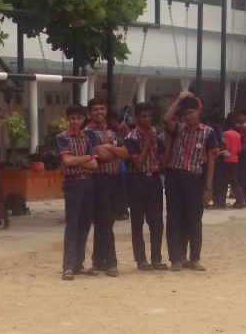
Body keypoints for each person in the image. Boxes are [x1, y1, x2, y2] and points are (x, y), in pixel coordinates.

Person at [160, 92, 218, 271]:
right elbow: (166, 119)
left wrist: (208, 187)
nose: (188, 116)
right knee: (174, 218)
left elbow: (211, 162)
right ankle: (176, 258)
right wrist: (177, 99)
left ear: (199, 111)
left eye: (191, 112)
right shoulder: (178, 129)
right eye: (185, 113)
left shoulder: (208, 133)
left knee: (194, 219)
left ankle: (194, 258)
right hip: (175, 177)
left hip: (194, 179)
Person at [122, 102, 167, 270]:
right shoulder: (132, 138)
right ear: (136, 117)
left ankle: (156, 258)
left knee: (156, 221)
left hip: (154, 179)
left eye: (149, 116)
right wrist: (147, 142)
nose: (147, 119)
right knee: (137, 221)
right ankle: (141, 259)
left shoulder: (155, 133)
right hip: (137, 179)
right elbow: (138, 163)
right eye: (144, 117)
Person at [55, 103, 98, 280]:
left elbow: (94, 165)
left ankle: (78, 263)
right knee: (72, 224)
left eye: (78, 118)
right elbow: (66, 161)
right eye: (72, 118)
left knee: (85, 224)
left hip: (87, 182)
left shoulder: (86, 139)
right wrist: (86, 158)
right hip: (73, 183)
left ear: (83, 119)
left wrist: (77, 160)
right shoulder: (62, 137)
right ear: (68, 119)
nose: (75, 121)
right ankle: (68, 266)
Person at [84, 97, 125, 276]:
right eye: (95, 110)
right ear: (89, 113)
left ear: (106, 110)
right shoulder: (88, 133)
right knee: (105, 221)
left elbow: (126, 153)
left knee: (106, 222)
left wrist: (111, 149)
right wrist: (114, 150)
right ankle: (111, 262)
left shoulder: (111, 132)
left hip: (114, 180)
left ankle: (98, 260)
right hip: (99, 180)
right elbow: (101, 155)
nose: (99, 112)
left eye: (102, 108)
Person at [217, 111, 242, 208]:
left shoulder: (225, 134)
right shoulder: (237, 134)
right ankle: (240, 199)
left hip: (227, 159)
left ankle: (222, 201)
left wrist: (220, 152)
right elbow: (239, 149)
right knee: (234, 181)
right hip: (235, 159)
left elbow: (225, 147)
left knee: (224, 181)